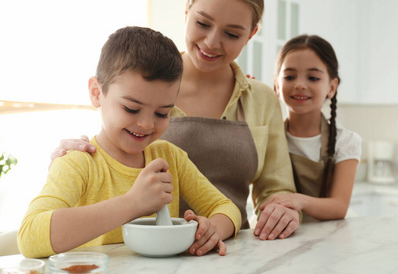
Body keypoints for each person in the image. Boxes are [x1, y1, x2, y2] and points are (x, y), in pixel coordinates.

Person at [49, 0, 300, 241]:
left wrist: (282, 210)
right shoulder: (150, 83)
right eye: (203, 23)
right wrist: (71, 161)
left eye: (231, 33)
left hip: (228, 248)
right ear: (187, 11)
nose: (212, 42)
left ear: (251, 34)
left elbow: (276, 190)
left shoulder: (262, 99)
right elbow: (113, 147)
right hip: (145, 248)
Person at [18, 26, 241, 258]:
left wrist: (212, 229)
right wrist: (132, 203)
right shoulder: (78, 163)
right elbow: (29, 235)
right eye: (131, 108)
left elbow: (226, 208)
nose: (146, 124)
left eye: (162, 113)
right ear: (97, 93)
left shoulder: (170, 158)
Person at [261, 34, 362, 222]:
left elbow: (339, 206)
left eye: (313, 78)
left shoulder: (346, 141)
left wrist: (299, 201)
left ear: (332, 87)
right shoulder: (267, 137)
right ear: (277, 84)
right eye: (289, 76)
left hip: (327, 239)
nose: (300, 85)